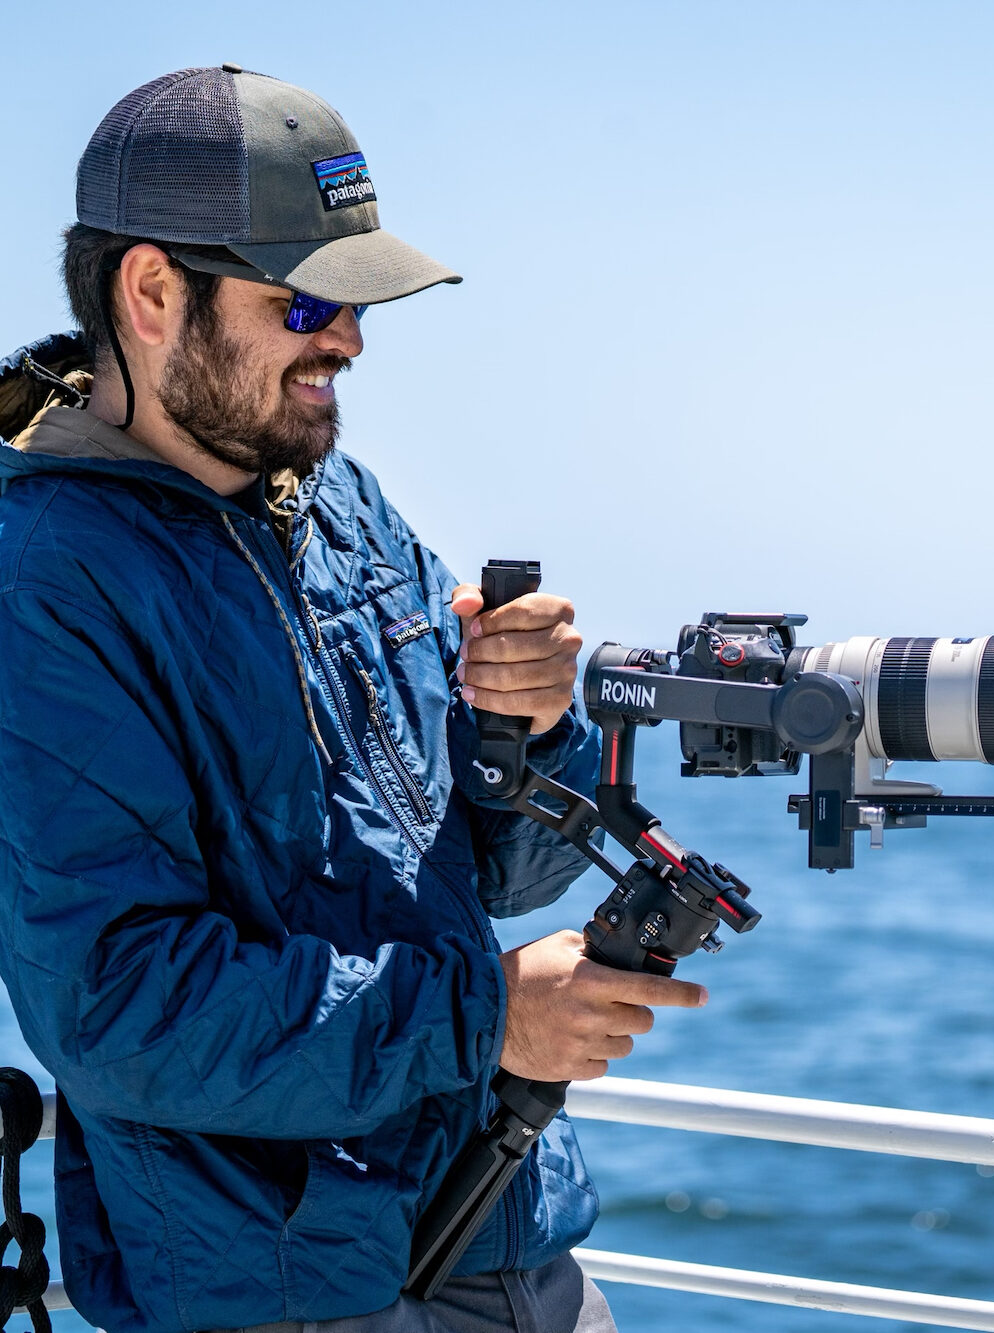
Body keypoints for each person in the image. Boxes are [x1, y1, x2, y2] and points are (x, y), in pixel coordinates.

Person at [0, 65, 707, 1333]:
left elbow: (500, 874)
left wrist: (534, 723)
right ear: (153, 294)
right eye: (307, 300)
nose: (350, 339)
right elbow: (116, 1005)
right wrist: (489, 1017)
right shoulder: (45, 580)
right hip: (276, 1296)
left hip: (508, 1243)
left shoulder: (346, 506)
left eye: (360, 301)